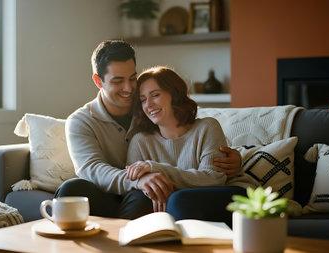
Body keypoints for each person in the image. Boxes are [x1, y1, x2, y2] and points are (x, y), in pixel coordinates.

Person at [55, 40, 242, 220]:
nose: (128, 88)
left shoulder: (150, 113)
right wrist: (138, 180)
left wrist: (236, 157)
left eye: (132, 78)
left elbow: (190, 135)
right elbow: (92, 169)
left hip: (141, 195)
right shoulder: (81, 121)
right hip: (113, 193)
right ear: (98, 81)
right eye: (118, 81)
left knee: (146, 195)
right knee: (72, 189)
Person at [125, 66, 248, 224]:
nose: (148, 104)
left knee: (178, 199)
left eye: (155, 95)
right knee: (139, 201)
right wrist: (149, 180)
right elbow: (131, 181)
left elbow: (213, 179)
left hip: (226, 198)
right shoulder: (140, 141)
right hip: (181, 205)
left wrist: (156, 168)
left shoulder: (207, 127)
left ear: (174, 95)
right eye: (143, 100)